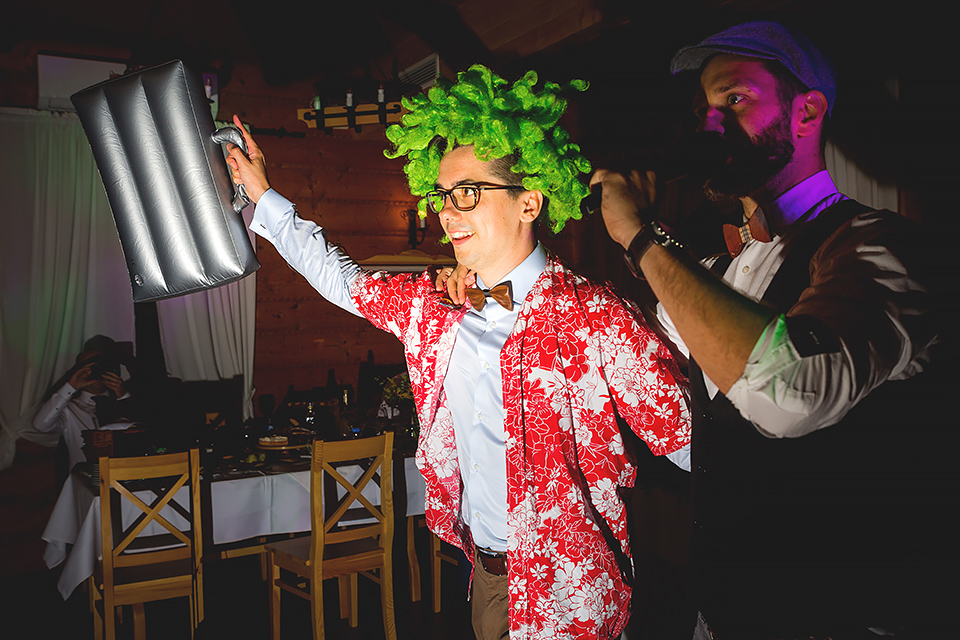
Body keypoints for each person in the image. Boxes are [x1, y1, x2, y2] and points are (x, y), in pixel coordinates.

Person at [227, 65, 691, 640]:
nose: (447, 212)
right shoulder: (434, 308)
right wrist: (263, 196)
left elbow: (689, 440)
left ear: (529, 203)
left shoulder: (594, 314)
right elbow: (341, 279)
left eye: (468, 193)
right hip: (487, 580)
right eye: (443, 194)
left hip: (573, 592)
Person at [590, 21, 945, 640]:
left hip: (837, 618)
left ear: (807, 112)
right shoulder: (720, 270)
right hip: (722, 609)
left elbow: (790, 393)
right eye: (702, 111)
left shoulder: (878, 246)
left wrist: (639, 237)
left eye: (734, 99)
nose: (710, 126)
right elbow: (651, 347)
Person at [33, 336, 133, 474]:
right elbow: (39, 425)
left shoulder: (125, 402)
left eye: (100, 365)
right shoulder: (70, 410)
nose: (95, 371)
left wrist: (124, 396)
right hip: (86, 482)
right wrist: (71, 386)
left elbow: (142, 427)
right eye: (88, 367)